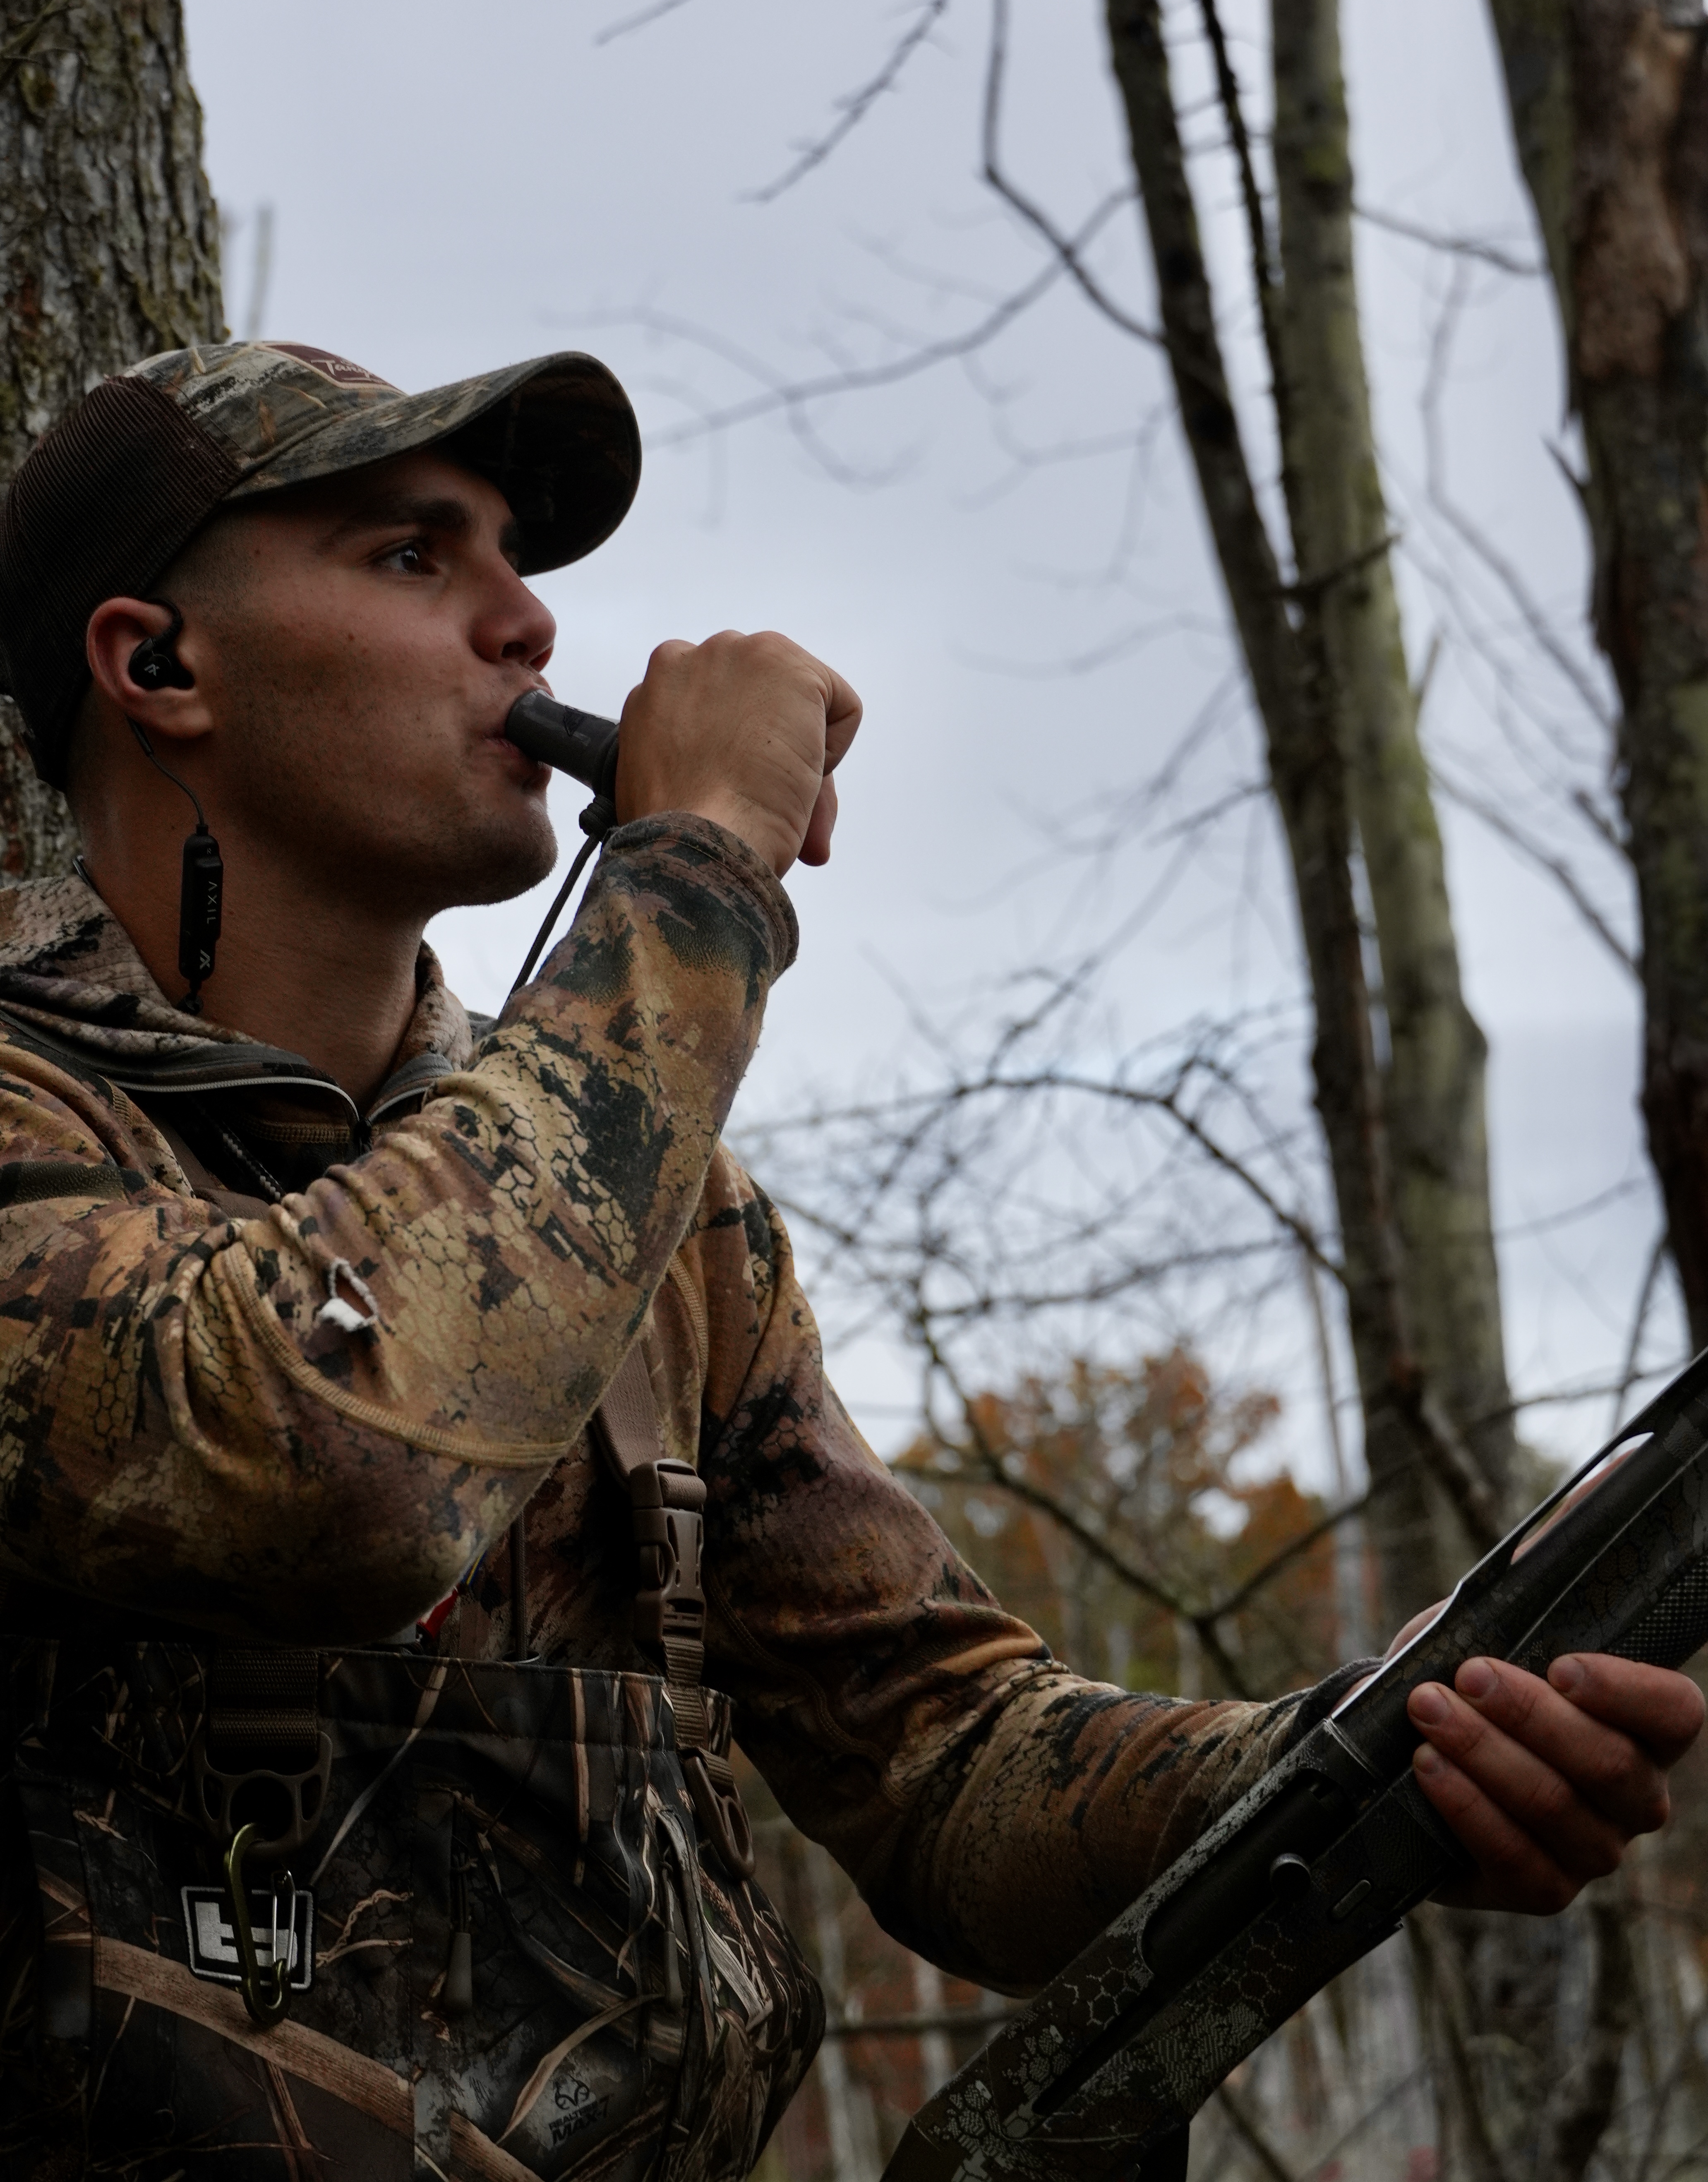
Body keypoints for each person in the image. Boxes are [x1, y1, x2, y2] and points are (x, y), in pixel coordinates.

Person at [0, 336, 1695, 2182]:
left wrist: (1373, 1754)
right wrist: (701, 860)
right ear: (157, 664)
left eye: (518, 560)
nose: (531, 630)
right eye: (417, 557)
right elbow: (324, 1464)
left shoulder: (665, 1216)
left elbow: (950, 1766)